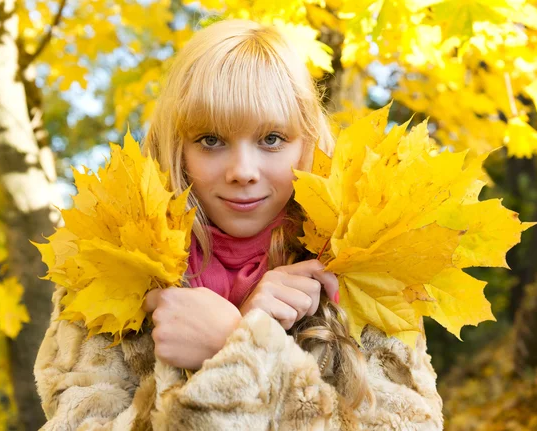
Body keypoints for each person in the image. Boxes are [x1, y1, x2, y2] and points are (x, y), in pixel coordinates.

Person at [34, 19, 443, 430]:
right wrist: (233, 348)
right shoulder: (112, 267)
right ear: (178, 149)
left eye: (271, 139)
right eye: (211, 140)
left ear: (307, 143)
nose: (243, 171)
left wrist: (240, 348)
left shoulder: (364, 264)